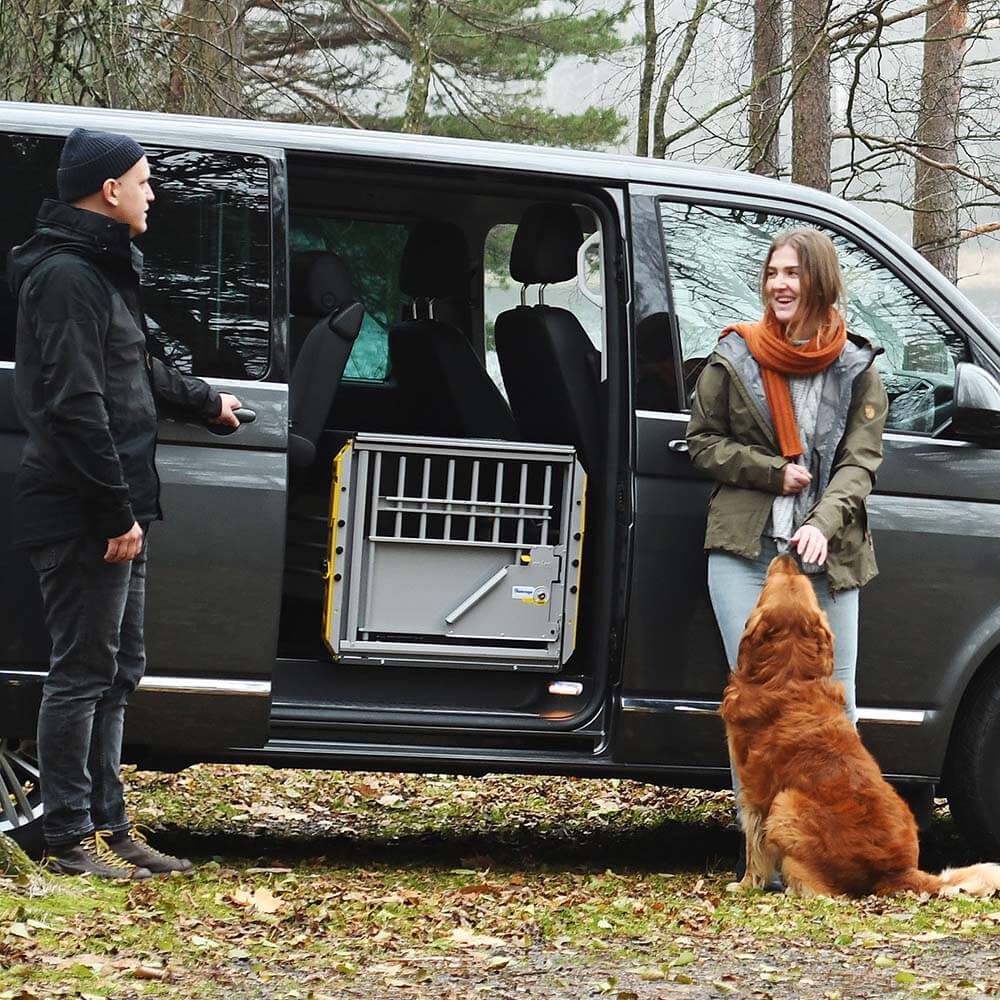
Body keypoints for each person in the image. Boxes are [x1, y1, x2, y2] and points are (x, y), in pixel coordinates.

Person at [8, 128, 243, 880]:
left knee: (117, 671)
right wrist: (113, 515)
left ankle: (111, 831)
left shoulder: (105, 271)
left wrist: (207, 402)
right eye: (144, 182)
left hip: (121, 507)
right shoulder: (67, 277)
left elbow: (135, 367)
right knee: (82, 672)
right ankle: (66, 838)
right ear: (110, 190)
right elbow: (76, 406)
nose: (152, 193)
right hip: (84, 510)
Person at [685, 228, 888, 877]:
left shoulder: (856, 365)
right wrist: (770, 473)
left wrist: (824, 522)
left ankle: (835, 851)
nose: (779, 283)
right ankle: (763, 864)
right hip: (745, 550)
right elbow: (702, 442)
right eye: (773, 272)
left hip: (830, 557)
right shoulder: (736, 354)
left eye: (792, 273)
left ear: (819, 281)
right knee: (756, 704)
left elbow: (860, 464)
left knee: (835, 701)